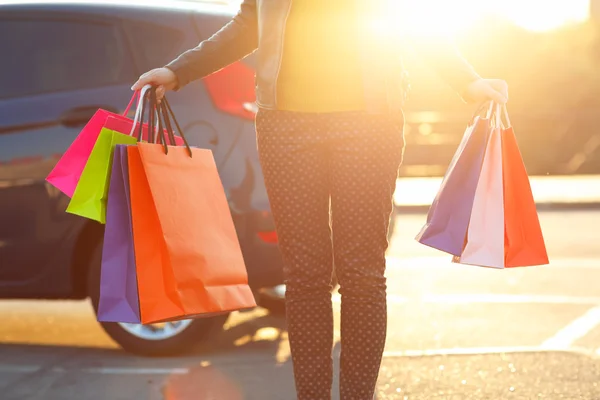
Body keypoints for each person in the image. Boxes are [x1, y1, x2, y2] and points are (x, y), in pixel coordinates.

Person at [132, 0, 508, 398]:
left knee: (361, 272)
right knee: (305, 275)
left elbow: (410, 20)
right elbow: (249, 23)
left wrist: (467, 81)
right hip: (285, 125)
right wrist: (179, 71)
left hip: (369, 123)